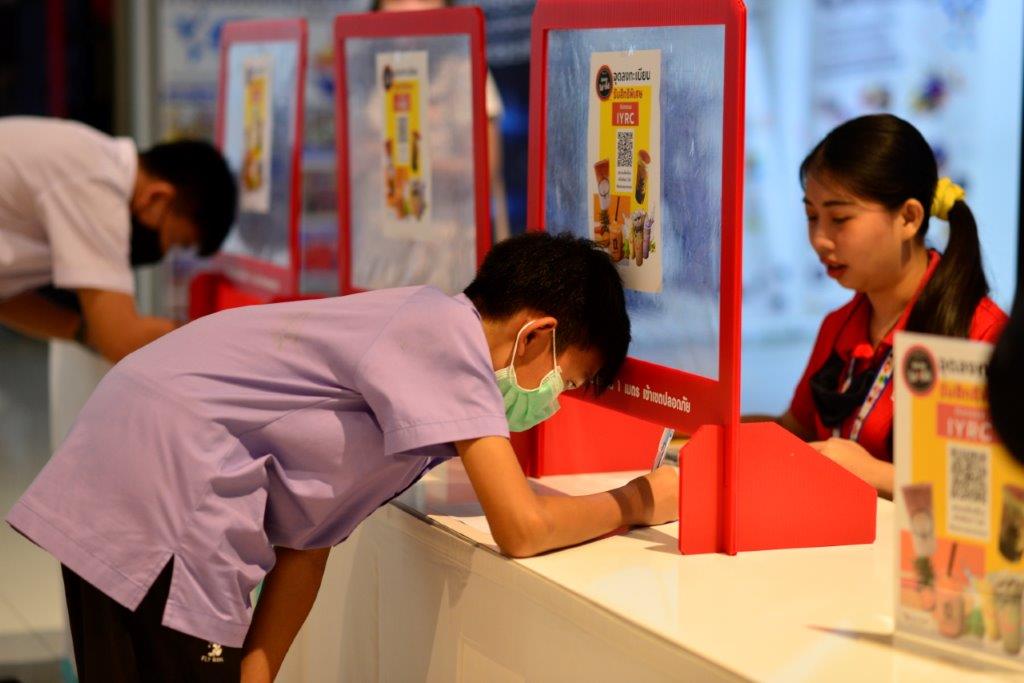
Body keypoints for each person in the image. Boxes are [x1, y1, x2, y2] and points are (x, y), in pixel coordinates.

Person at [7, 232, 678, 682]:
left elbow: (308, 543)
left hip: (121, 455)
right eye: (567, 380)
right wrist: (642, 498)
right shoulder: (449, 341)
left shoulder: (415, 355)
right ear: (536, 335)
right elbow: (522, 527)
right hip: (170, 479)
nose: (554, 401)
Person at [771, 114, 1007, 498]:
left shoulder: (981, 336)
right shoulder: (838, 325)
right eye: (812, 217)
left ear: (909, 218)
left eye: (839, 218)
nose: (819, 239)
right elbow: (794, 430)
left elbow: (996, 491)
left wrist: (876, 474)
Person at [0, 116, 237, 362]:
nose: (162, 253)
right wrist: (205, 336)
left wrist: (84, 331)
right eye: (175, 242)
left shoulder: (92, 166)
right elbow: (121, 341)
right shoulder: (95, 183)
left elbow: (6, 297)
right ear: (157, 197)